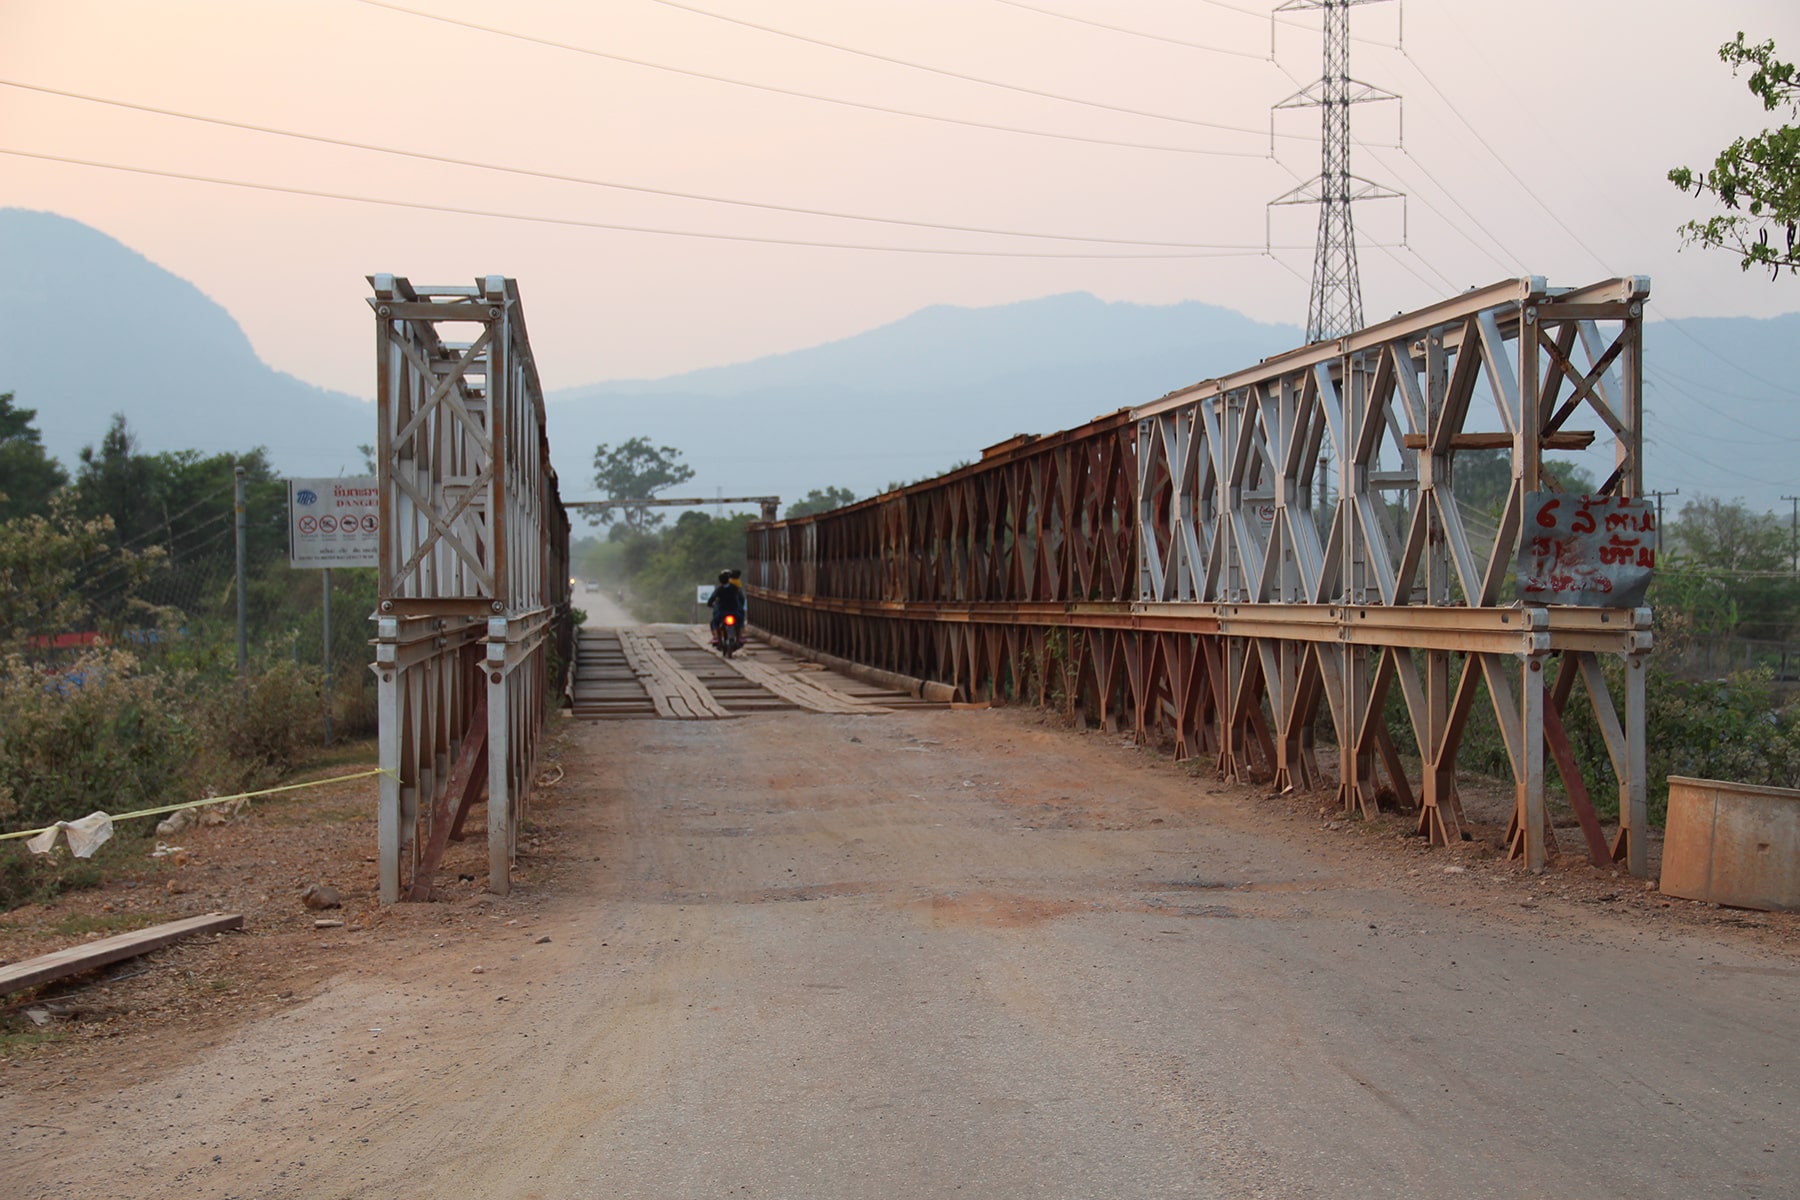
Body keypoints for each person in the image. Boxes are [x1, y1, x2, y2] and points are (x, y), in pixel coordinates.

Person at [708, 569, 743, 645]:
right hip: (734, 611)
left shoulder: (719, 589)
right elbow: (740, 598)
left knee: (714, 622)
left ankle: (716, 637)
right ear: (728, 579)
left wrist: (710, 603)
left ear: (720, 581)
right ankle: (740, 636)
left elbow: (712, 599)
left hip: (722, 612)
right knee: (740, 620)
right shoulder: (735, 588)